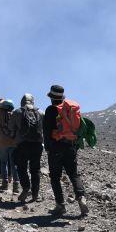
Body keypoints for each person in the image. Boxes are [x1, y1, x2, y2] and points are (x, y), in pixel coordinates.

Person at [43, 85, 88, 216]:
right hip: (70, 146)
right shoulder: (70, 110)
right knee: (73, 174)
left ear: (51, 98)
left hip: (56, 147)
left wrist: (48, 148)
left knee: (55, 177)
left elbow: (46, 131)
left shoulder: (51, 110)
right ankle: (81, 198)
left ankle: (60, 205)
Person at [12, 93, 43, 203]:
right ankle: (36, 195)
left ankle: (25, 187)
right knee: (35, 170)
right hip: (37, 145)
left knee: (21, 168)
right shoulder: (40, 112)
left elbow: (12, 129)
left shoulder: (17, 112)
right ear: (32, 101)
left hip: (22, 145)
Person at [0, 99, 19, 191]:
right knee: (14, 163)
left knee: (4, 162)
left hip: (1, 141)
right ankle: (16, 185)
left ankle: (5, 183)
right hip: (13, 141)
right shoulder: (14, 113)